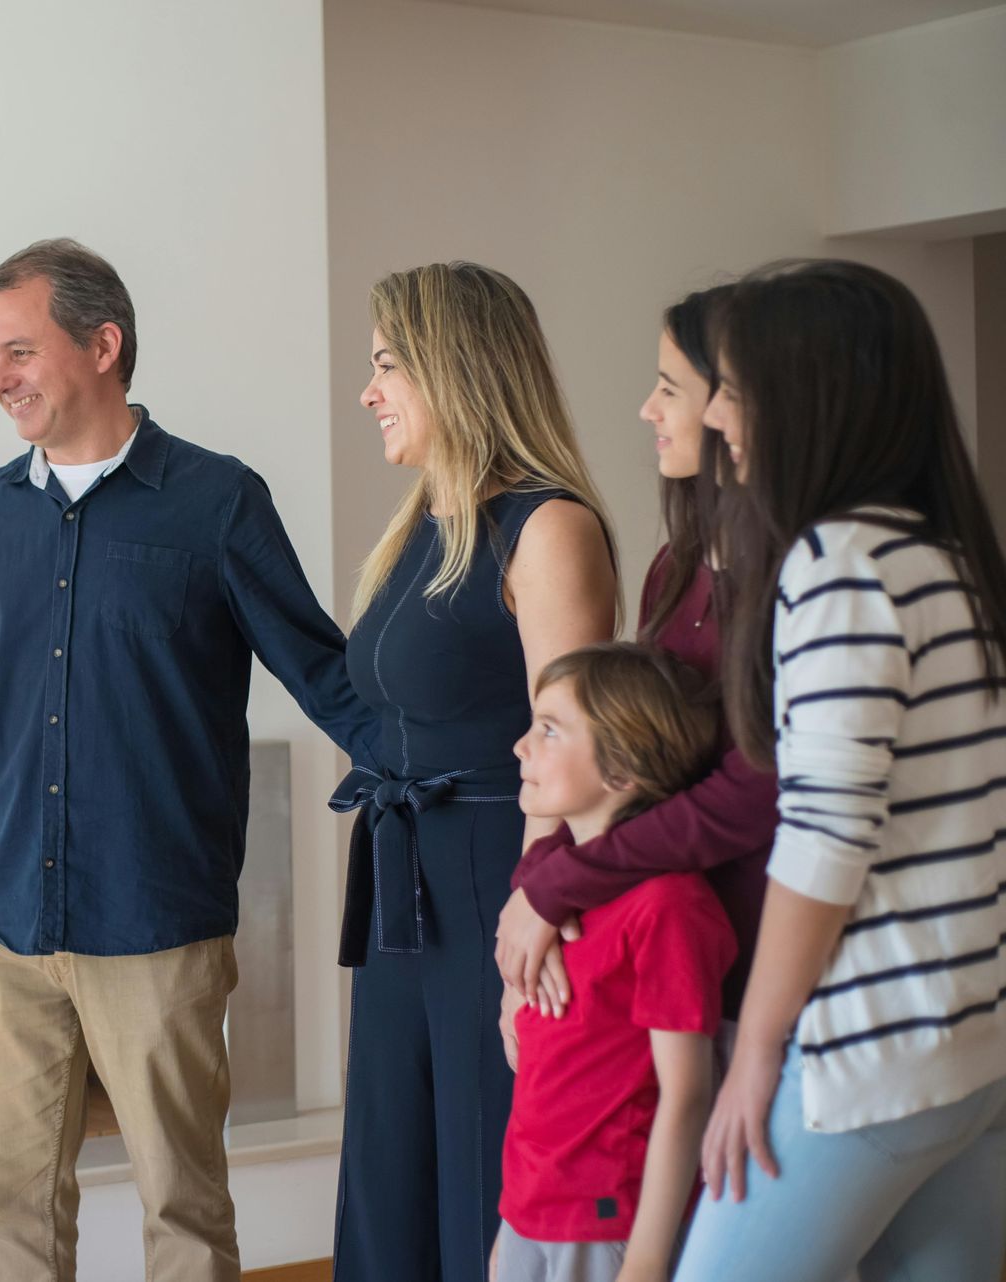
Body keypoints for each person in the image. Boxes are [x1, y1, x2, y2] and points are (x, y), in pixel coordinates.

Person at [0, 238, 373, 1281]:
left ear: (102, 343)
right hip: (3, 923)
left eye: (18, 351)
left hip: (158, 924)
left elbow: (326, 674)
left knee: (185, 1209)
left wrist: (457, 773)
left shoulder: (218, 502)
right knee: (14, 1217)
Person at [673, 259, 1006, 1281]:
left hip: (863, 1060)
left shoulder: (839, 561)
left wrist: (758, 1055)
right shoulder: (946, 554)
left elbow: (824, 839)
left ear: (802, 392)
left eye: (732, 386)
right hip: (969, 1050)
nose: (720, 416)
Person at [331, 260, 619, 1281]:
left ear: (453, 371)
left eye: (387, 367)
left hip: (502, 873)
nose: (368, 392)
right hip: (404, 877)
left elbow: (575, 740)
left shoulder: (549, 526)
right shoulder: (424, 523)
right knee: (392, 1154)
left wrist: (537, 901)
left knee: (483, 1154)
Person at [497, 286, 777, 1037]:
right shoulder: (673, 568)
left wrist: (559, 882)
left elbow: (750, 796)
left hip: (760, 969)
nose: (647, 411)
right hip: (652, 942)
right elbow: (626, 758)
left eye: (668, 390)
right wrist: (536, 883)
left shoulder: (798, 583)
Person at [494, 643, 734, 1282]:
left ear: (624, 768)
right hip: (529, 1214)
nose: (521, 746)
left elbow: (687, 1093)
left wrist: (650, 1257)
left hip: (607, 1226)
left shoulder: (667, 907)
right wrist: (512, 1227)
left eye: (549, 730)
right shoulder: (547, 887)